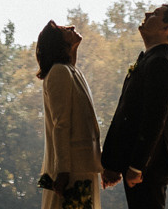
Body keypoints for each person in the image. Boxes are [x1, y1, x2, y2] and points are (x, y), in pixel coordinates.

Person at [101, 5, 168, 209]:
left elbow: (154, 119)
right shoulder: (152, 59)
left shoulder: (161, 63)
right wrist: (113, 163)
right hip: (142, 164)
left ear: (166, 28)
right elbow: (127, 113)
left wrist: (137, 166)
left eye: (155, 14)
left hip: (150, 165)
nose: (147, 15)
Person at [37, 20, 104, 209]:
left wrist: (100, 165)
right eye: (65, 30)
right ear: (57, 42)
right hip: (73, 172)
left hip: (84, 168)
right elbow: (61, 124)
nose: (72, 27)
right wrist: (63, 170)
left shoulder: (71, 71)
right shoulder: (59, 71)